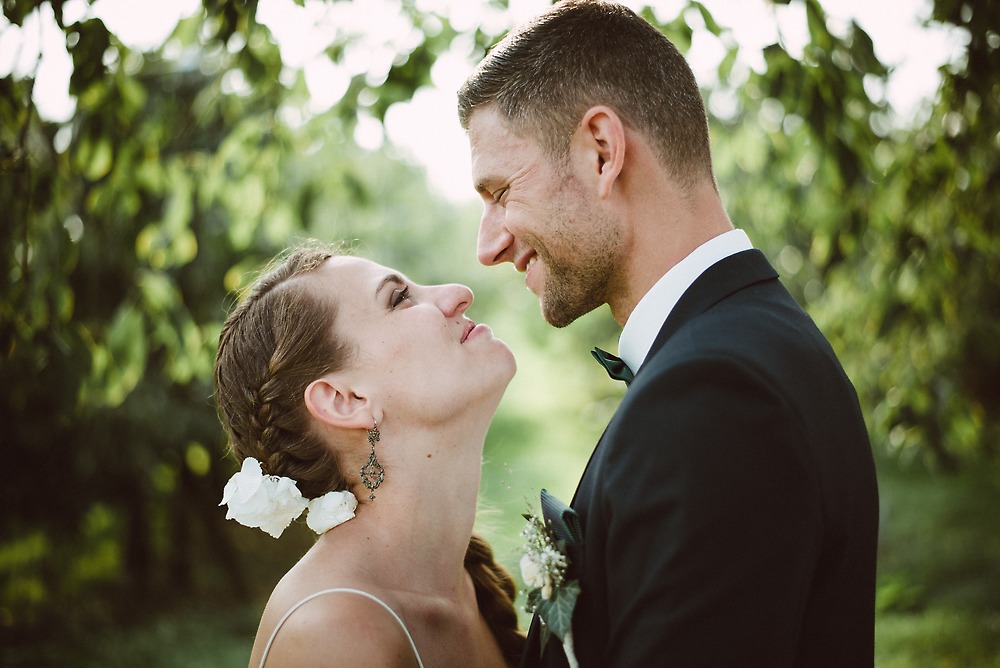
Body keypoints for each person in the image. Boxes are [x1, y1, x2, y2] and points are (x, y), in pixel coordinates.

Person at [457, 1, 879, 666]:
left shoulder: (715, 395)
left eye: (500, 190)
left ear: (601, 151)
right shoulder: (755, 341)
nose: (488, 244)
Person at [214, 245, 524, 667]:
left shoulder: (464, 588)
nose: (458, 293)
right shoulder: (334, 633)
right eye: (399, 298)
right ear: (346, 400)